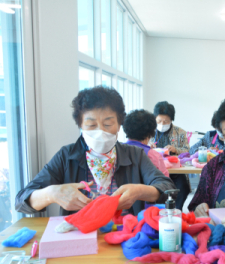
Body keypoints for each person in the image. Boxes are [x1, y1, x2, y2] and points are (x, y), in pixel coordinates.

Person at [15, 86, 175, 217]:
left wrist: (141, 191)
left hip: (126, 236)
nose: (100, 132)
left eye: (108, 124)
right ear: (80, 126)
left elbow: (167, 187)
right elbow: (21, 201)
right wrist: (52, 193)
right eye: (91, 125)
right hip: (80, 236)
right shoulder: (67, 156)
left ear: (120, 125)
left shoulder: (135, 155)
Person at [153, 101, 190, 210]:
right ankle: (159, 212)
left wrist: (176, 149)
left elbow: (188, 151)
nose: (162, 124)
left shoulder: (180, 132)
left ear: (171, 120)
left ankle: (176, 211)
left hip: (176, 171)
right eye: (159, 121)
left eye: (166, 121)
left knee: (183, 187)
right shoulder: (149, 132)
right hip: (155, 170)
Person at [123, 109, 169, 178]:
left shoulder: (117, 151)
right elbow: (165, 182)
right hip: (147, 188)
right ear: (149, 133)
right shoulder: (154, 156)